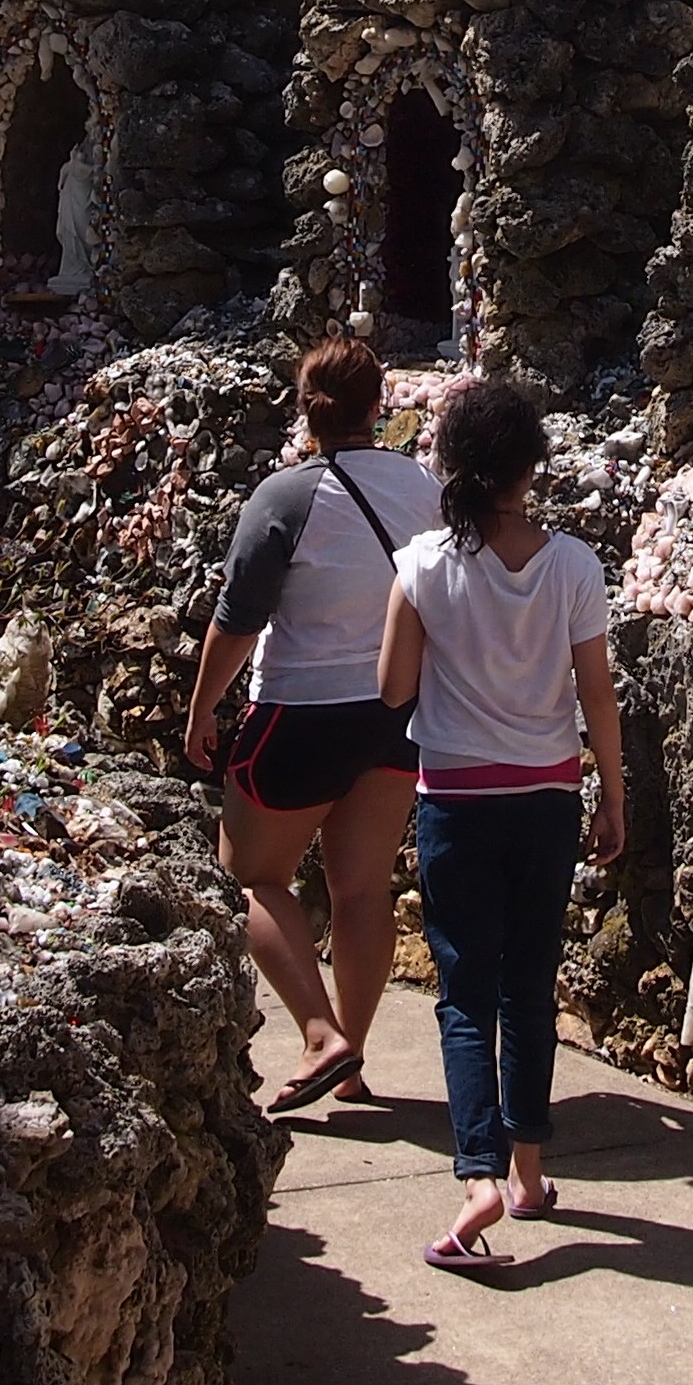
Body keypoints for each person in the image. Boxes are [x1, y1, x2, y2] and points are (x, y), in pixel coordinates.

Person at [376, 377, 625, 1273]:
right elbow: (596, 693)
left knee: (464, 993)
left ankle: (476, 1173)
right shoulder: (574, 566)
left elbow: (394, 688)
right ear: (529, 467)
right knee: (530, 986)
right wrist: (614, 795)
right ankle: (527, 1171)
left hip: (455, 802)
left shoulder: (422, 564)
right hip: (549, 797)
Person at [185, 336, 441, 1114]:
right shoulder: (424, 489)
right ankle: (353, 1059)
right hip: (396, 715)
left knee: (254, 873)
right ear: (377, 406)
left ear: (305, 409)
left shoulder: (283, 496)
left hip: (298, 713)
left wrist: (202, 708)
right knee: (362, 890)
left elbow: (237, 620)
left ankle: (320, 1034)